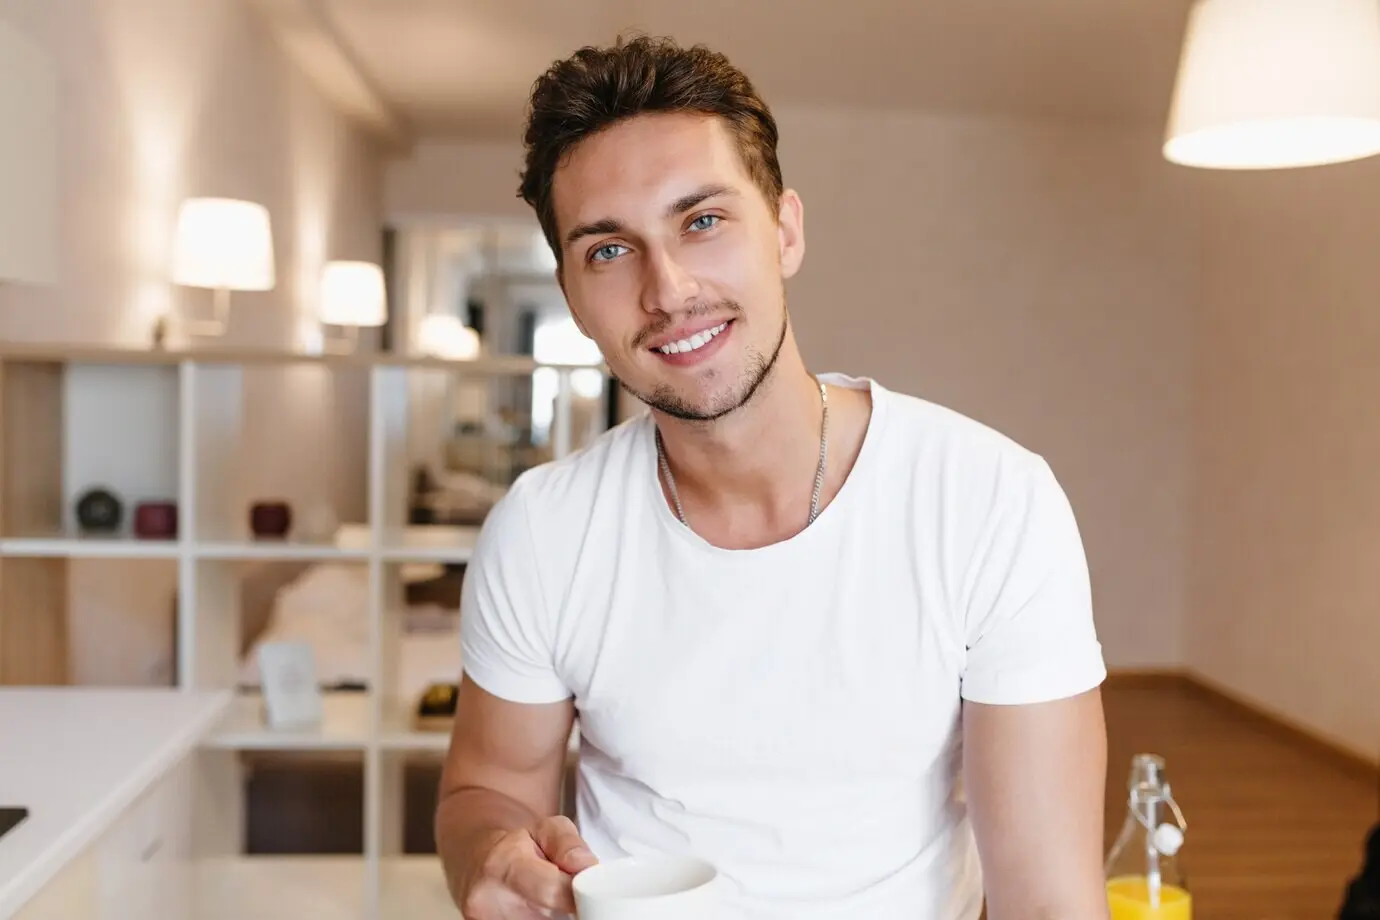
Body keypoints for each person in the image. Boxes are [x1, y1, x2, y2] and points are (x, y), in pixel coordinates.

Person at [434, 34, 1111, 920]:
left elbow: (1049, 902)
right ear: (571, 295)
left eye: (702, 222)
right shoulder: (543, 530)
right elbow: (486, 789)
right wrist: (489, 856)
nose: (667, 289)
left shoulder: (989, 502)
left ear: (785, 231)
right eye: (608, 250)